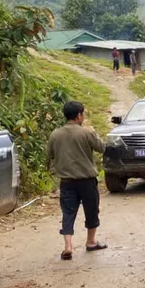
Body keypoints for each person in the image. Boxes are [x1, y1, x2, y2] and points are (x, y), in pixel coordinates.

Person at [46, 101, 107, 260]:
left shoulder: (55, 134)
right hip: (86, 180)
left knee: (68, 212)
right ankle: (91, 241)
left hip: (66, 181)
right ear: (79, 115)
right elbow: (102, 148)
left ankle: (68, 246)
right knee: (92, 210)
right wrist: (93, 132)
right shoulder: (87, 132)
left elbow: (50, 155)